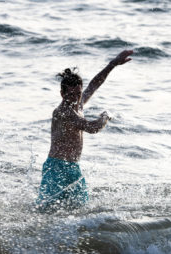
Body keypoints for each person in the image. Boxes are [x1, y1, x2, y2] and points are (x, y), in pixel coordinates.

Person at [36, 50, 133, 212]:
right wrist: (105, 116)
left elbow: (95, 84)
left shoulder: (79, 105)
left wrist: (112, 64)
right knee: (45, 210)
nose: (75, 98)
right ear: (62, 93)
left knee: (81, 209)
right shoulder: (63, 112)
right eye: (71, 94)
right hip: (56, 168)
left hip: (73, 168)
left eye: (78, 93)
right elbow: (92, 128)